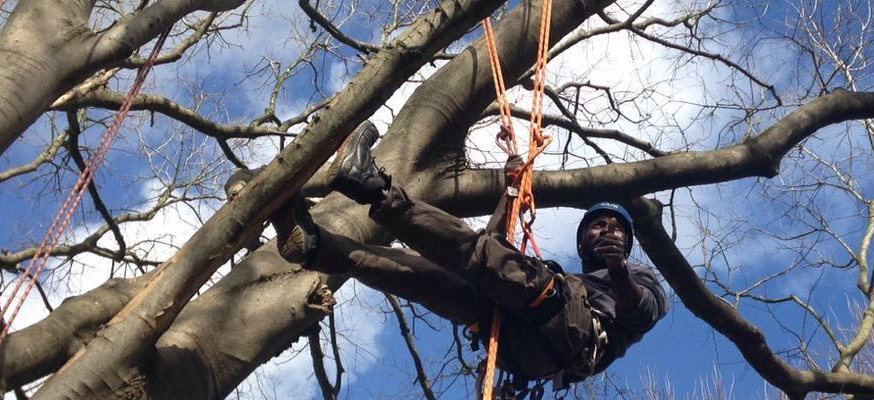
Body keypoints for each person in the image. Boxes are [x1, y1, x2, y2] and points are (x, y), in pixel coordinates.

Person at [275, 122, 669, 385]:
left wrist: (620, 272)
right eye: (598, 226)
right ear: (581, 242)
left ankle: (373, 188)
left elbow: (642, 313)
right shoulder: (573, 284)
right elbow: (488, 247)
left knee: (517, 274)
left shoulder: (640, 281)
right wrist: (510, 190)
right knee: (425, 274)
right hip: (525, 345)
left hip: (569, 335)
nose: (608, 231)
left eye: (616, 228)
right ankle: (316, 247)